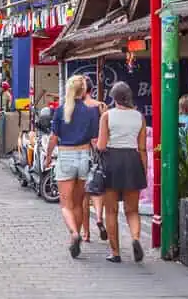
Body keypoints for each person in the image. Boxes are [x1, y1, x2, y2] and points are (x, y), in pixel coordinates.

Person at [44, 75, 99, 258]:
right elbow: (94, 139)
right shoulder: (91, 112)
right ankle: (76, 236)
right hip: (84, 156)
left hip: (66, 156)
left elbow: (53, 137)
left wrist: (48, 156)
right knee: (78, 203)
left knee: (66, 204)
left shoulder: (60, 111)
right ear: (83, 90)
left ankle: (74, 234)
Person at [96, 81, 147, 263]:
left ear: (114, 98)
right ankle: (135, 238)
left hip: (112, 161)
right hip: (133, 161)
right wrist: (143, 168)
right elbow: (142, 148)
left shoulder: (107, 116)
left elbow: (101, 145)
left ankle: (115, 252)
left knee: (111, 211)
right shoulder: (139, 117)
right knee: (132, 210)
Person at [81, 76, 107, 244]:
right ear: (91, 89)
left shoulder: (77, 107)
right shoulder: (101, 106)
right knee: (97, 188)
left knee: (84, 194)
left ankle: (86, 233)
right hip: (100, 151)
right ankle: (98, 217)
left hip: (82, 151)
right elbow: (108, 128)